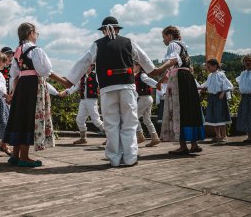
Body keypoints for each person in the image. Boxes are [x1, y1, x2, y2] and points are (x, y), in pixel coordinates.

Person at [64, 17, 173, 167]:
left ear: (104, 30)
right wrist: (156, 70)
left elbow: (83, 61)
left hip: (107, 89)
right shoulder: (129, 42)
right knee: (129, 123)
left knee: (111, 124)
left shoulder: (97, 45)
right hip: (127, 87)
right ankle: (130, 158)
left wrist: (70, 81)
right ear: (117, 29)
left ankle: (114, 159)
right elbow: (147, 63)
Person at [3, 22, 68, 167]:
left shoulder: (18, 50)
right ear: (30, 32)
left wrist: (14, 93)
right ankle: (24, 157)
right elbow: (46, 71)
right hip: (33, 85)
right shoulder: (35, 50)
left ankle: (15, 154)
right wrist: (64, 82)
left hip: (21, 86)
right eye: (36, 33)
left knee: (20, 117)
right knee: (29, 117)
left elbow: (14, 75)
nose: (36, 36)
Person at [157, 26, 205, 154]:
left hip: (180, 80)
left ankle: (183, 146)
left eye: (164, 37)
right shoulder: (183, 47)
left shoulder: (173, 45)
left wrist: (159, 70)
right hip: (187, 78)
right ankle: (194, 144)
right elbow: (175, 67)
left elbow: (172, 61)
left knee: (179, 109)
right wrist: (160, 81)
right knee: (189, 108)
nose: (163, 40)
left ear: (170, 36)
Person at [59, 64, 105, 145]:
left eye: (88, 66)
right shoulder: (82, 77)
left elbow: (102, 85)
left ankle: (110, 137)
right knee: (79, 119)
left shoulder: (96, 76)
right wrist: (66, 92)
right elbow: (75, 87)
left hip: (92, 101)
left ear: (92, 67)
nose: (86, 67)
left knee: (96, 120)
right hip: (83, 101)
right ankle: (83, 138)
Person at [199, 58, 233, 142]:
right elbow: (206, 85)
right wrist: (199, 88)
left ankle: (224, 136)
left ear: (215, 66)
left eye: (209, 67)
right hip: (212, 98)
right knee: (213, 116)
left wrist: (223, 93)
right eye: (207, 67)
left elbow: (228, 85)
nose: (208, 68)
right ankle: (217, 135)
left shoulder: (221, 74)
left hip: (219, 98)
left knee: (220, 116)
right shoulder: (210, 76)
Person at [134, 61, 161, 147]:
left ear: (138, 66)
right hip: (147, 98)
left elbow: (148, 80)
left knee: (134, 116)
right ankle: (155, 137)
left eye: (133, 65)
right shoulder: (137, 75)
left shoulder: (142, 75)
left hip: (145, 98)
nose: (132, 67)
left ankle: (140, 135)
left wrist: (157, 84)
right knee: (146, 119)